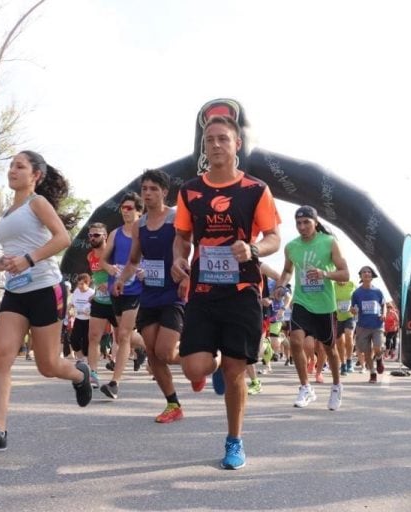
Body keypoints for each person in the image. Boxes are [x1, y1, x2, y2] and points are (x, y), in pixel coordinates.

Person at [0, 150, 92, 453]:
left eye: (20, 166)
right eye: (10, 166)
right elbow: (9, 260)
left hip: (46, 289)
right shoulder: (7, 215)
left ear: (36, 175)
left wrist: (30, 259)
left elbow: (62, 239)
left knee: (48, 365)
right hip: (16, 294)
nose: (12, 171)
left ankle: (78, 373)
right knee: (1, 356)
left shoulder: (38, 203)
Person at [171, 114, 280, 470]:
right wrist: (178, 259)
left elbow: (274, 238)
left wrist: (253, 249)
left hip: (243, 289)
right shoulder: (190, 191)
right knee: (194, 367)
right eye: (209, 141)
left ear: (237, 145)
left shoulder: (255, 189)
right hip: (203, 289)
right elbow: (182, 236)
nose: (215, 145)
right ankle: (213, 364)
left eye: (222, 139)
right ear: (204, 149)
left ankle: (234, 441)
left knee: (236, 370)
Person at [114, 168, 187, 422]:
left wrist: (187, 276)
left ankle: (201, 363)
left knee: (166, 352)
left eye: (153, 189)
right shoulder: (139, 225)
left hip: (173, 293)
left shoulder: (176, 218)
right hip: (149, 294)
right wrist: (122, 279)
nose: (147, 193)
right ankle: (173, 405)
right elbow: (134, 260)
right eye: (144, 188)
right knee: (153, 354)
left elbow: (186, 251)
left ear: (165, 192)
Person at [277, 205, 349, 410]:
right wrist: (281, 285)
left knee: (330, 348)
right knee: (295, 342)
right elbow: (287, 270)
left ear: (315, 222)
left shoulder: (329, 242)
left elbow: (345, 274)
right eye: (298, 223)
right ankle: (305, 387)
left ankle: (336, 386)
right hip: (302, 301)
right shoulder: (291, 247)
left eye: (306, 222)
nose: (302, 227)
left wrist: (324, 274)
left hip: (325, 305)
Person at [102, 191, 145, 399]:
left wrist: (145, 271)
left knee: (125, 334)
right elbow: (103, 260)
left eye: (129, 208)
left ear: (139, 211)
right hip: (116, 288)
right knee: (122, 335)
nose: (125, 212)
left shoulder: (144, 233)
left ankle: (114, 383)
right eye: (123, 208)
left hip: (135, 289)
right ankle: (145, 346)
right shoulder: (115, 234)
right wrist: (109, 269)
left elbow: (155, 257)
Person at [85, 222, 117, 388]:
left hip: (117, 300)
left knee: (125, 338)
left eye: (96, 235)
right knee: (93, 337)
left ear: (105, 236)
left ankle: (145, 348)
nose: (92, 238)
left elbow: (122, 270)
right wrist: (95, 292)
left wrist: (111, 284)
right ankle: (93, 374)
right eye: (90, 235)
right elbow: (96, 277)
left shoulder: (112, 252)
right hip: (100, 301)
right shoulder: (90, 256)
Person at [350, 266, 386, 384]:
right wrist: (353, 311)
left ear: (372, 276)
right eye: (364, 272)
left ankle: (379, 358)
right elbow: (353, 308)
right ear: (360, 276)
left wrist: (384, 314)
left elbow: (383, 304)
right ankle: (372, 372)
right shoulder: (356, 293)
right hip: (362, 326)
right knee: (367, 352)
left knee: (377, 347)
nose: (366, 273)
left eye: (369, 272)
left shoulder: (378, 291)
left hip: (377, 325)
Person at [69, 273, 94, 361]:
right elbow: (71, 304)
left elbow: (96, 307)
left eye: (82, 284)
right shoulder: (76, 291)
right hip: (78, 319)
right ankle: (80, 358)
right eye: (78, 284)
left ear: (87, 283)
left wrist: (89, 311)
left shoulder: (92, 293)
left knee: (86, 342)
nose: (79, 286)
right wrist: (69, 310)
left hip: (89, 321)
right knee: (73, 339)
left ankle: (87, 359)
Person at [334, 279, 356, 374]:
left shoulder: (352, 284)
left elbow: (357, 298)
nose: (341, 281)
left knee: (349, 335)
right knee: (339, 341)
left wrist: (355, 307)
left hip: (349, 316)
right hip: (337, 317)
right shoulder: (332, 285)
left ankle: (349, 361)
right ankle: (342, 364)